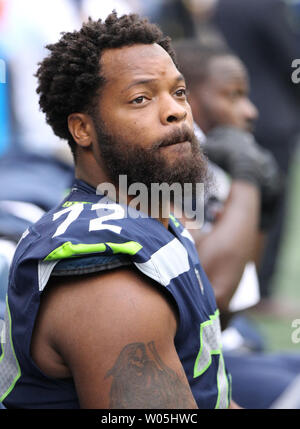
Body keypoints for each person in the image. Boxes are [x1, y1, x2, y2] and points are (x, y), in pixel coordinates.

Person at [0, 12, 237, 409]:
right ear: (82, 129)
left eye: (178, 93)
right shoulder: (105, 275)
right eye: (141, 98)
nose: (176, 112)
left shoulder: (153, 220)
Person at [174, 38, 300, 409]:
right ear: (188, 99)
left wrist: (259, 216)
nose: (249, 111)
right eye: (232, 96)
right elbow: (215, 297)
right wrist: (247, 181)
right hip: (180, 372)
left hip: (215, 347)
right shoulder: (168, 171)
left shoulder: (213, 162)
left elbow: (237, 300)